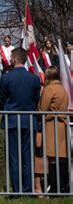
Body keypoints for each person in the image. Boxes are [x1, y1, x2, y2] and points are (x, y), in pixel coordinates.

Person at [0, 47, 40, 193]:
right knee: (28, 157)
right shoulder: (34, 79)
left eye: (11, 57)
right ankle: (28, 189)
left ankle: (17, 190)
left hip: (12, 120)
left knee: (14, 157)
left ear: (14, 59)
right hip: (29, 120)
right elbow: (35, 100)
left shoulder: (6, 78)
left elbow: (2, 100)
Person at [34, 66, 69, 194]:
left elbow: (43, 108)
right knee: (62, 157)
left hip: (51, 125)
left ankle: (55, 188)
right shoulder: (63, 90)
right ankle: (63, 187)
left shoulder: (49, 89)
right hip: (62, 126)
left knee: (53, 158)